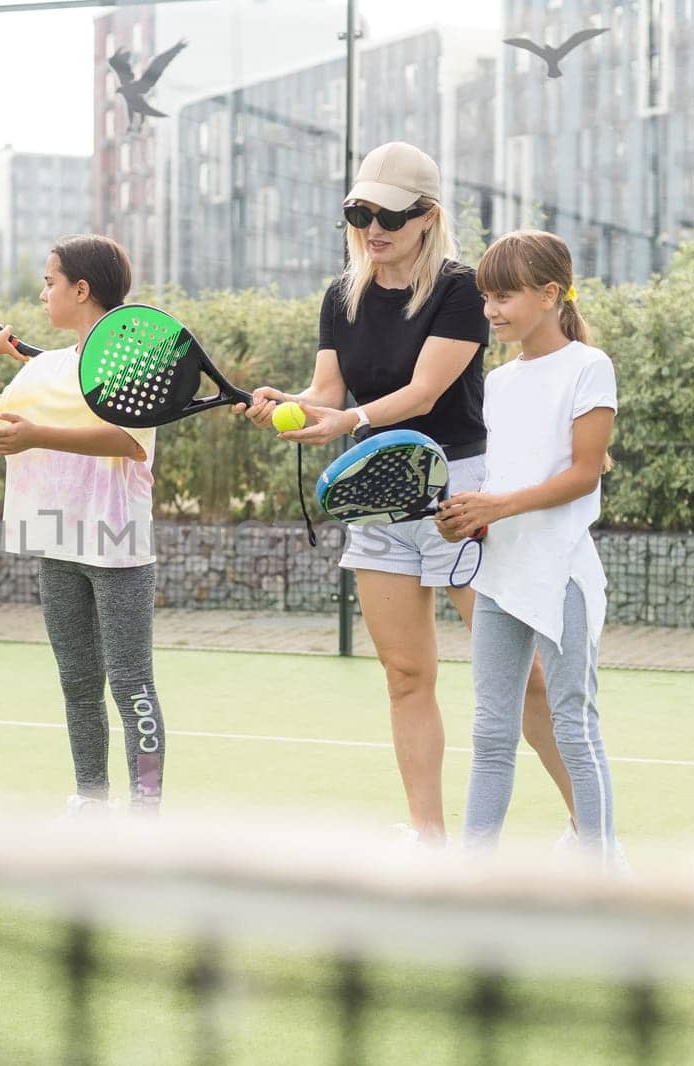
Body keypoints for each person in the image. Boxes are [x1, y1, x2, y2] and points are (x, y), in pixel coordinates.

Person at [239, 142, 575, 845]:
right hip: (376, 495)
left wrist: (346, 419)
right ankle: (429, 841)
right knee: (404, 673)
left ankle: (590, 826)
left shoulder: (458, 289)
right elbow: (328, 395)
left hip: (462, 496)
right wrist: (286, 405)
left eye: (388, 214)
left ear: (427, 217)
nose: (371, 227)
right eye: (358, 212)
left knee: (525, 679)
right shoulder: (342, 296)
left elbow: (424, 391)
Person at [0, 234, 165, 815]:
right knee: (78, 682)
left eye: (50, 282)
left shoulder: (134, 361)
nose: (43, 292)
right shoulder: (44, 369)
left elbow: (127, 441)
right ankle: (91, 802)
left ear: (81, 289)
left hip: (119, 543)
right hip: (55, 542)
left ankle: (147, 813)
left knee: (132, 686)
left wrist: (36, 435)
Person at [436, 229, 618, 863]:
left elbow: (584, 474)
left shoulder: (590, 367)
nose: (491, 310)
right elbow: (503, 478)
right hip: (499, 574)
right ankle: (472, 879)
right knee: (490, 733)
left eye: (503, 296)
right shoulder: (500, 381)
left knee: (574, 727)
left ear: (549, 294)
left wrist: (499, 505)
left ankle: (604, 872)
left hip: (560, 575)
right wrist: (468, 517)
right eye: (486, 297)